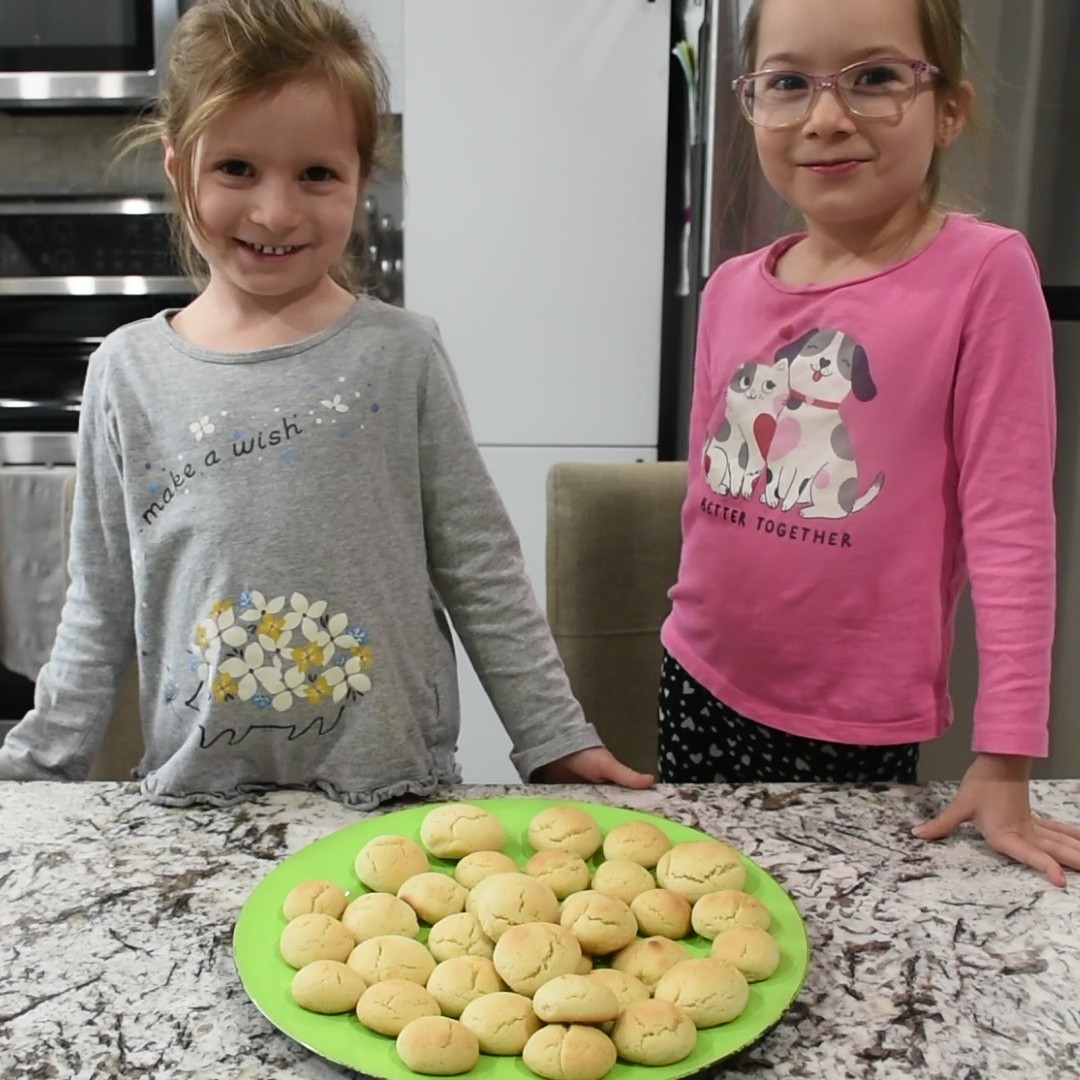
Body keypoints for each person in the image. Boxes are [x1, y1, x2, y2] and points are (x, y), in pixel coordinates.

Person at [0, 0, 652, 806]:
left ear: (360, 178)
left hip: (392, 791)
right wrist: (35, 771)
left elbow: (479, 566)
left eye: (316, 174)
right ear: (178, 168)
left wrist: (555, 736)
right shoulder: (126, 371)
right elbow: (98, 602)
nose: (276, 211)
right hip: (200, 800)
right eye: (236, 168)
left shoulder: (401, 353)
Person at [659, 0, 1080, 884]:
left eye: (877, 78)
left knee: (826, 936)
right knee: (700, 920)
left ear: (950, 108)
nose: (826, 117)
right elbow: (712, 491)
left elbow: (1011, 528)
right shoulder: (731, 287)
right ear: (750, 105)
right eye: (787, 83)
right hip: (696, 675)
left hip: (849, 715)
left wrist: (1006, 756)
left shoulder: (983, 274)